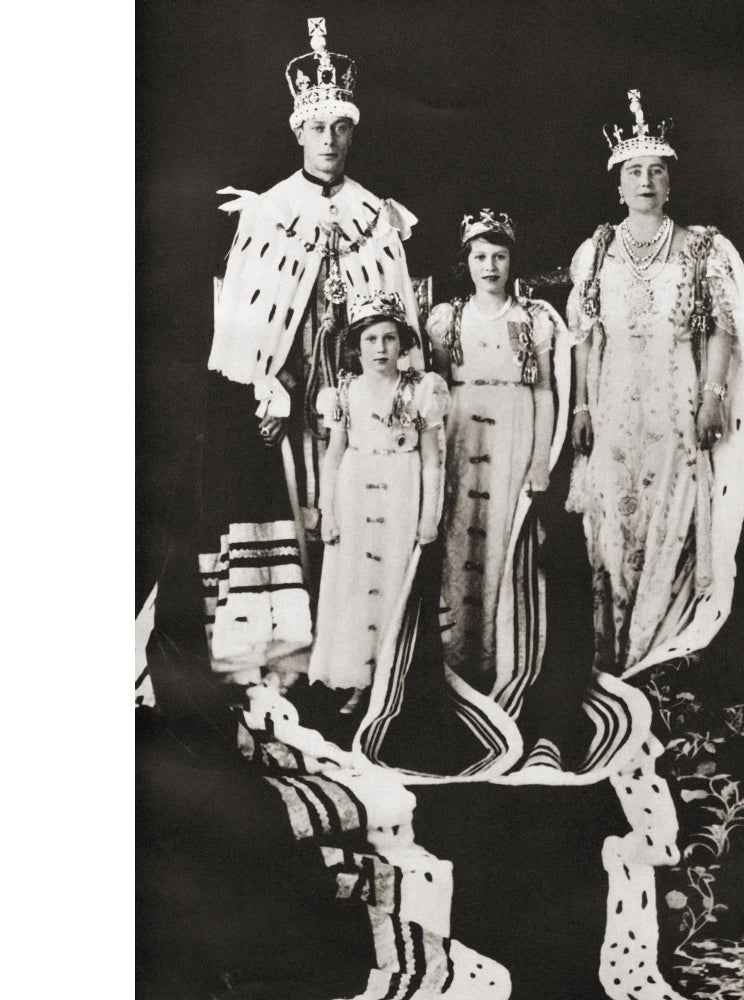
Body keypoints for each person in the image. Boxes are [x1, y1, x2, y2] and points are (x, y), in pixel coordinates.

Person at [199, 17, 424, 688]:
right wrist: (264, 382)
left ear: (353, 132)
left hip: (358, 402)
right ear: (298, 131)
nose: (329, 140)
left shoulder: (374, 216)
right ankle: (291, 659)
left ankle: (353, 661)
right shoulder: (267, 213)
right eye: (317, 129)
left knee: (356, 516)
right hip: (288, 394)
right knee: (296, 512)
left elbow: (399, 323)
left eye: (341, 128)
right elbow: (242, 329)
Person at [566, 90, 744, 678]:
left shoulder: (704, 247)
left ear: (669, 184)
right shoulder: (597, 250)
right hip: (613, 405)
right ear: (618, 184)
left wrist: (713, 396)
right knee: (614, 522)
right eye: (634, 171)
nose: (645, 180)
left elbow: (723, 329)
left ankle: (660, 654)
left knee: (673, 519)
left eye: (656, 171)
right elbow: (584, 335)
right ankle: (616, 652)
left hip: (679, 404)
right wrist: (580, 406)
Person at [426, 210, 567, 701]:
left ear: (512, 262)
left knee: (506, 543)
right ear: (465, 262)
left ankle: (505, 660)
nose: (490, 266)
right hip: (463, 437)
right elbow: (438, 389)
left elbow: (545, 391)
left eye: (499, 256)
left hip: (513, 432)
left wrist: (540, 460)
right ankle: (459, 660)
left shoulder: (534, 319)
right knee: (461, 541)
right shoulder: (448, 318)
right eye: (480, 256)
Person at [309, 292, 449, 714]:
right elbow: (332, 455)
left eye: (390, 339)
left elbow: (432, 459)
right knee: (354, 587)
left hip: (400, 491)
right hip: (354, 491)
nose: (381, 349)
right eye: (371, 340)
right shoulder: (344, 392)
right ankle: (358, 680)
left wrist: (430, 518)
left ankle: (393, 680)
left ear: (402, 345)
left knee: (394, 584)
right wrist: (326, 512)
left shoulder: (421, 389)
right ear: (357, 345)